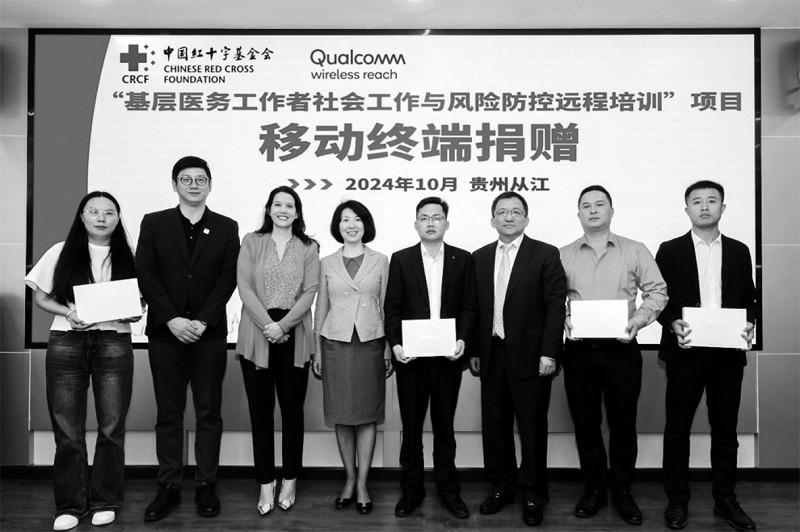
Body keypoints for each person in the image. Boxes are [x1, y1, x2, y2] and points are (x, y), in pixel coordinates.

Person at [25, 191, 138, 531]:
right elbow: (42, 297)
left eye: (109, 212)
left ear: (118, 218)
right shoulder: (61, 251)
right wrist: (68, 312)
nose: (101, 217)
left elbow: (140, 302)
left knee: (112, 428)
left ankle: (105, 501)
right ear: (82, 216)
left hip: (114, 339)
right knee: (67, 430)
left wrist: (135, 311)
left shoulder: (129, 253)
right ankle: (70, 505)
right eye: (94, 211)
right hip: (67, 340)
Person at [136, 156, 240, 521]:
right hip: (165, 334)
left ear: (210, 184)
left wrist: (202, 320)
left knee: (209, 412)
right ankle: (168, 485)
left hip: (208, 335)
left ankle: (206, 483)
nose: (194, 185)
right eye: (186, 179)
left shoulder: (227, 227)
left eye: (200, 179)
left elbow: (228, 278)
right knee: (169, 413)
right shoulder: (154, 223)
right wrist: (173, 319)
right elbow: (146, 273)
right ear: (175, 184)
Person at [559, 185, 667, 526]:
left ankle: (622, 490)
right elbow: (551, 299)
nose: (593, 210)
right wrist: (564, 319)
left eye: (599, 204)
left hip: (621, 350)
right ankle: (594, 489)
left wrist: (639, 320)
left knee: (623, 425)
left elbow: (658, 291)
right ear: (578, 213)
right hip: (579, 352)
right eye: (586, 206)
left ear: (611, 210)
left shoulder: (635, 250)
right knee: (586, 424)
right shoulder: (562, 255)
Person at [656, 180, 757, 531]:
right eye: (696, 201)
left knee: (725, 430)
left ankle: (725, 499)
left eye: (712, 201)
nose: (704, 206)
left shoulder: (740, 251)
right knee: (677, 430)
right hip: (685, 354)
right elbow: (659, 299)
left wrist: (750, 323)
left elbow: (750, 297)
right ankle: (677, 500)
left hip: (727, 355)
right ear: (686, 209)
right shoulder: (670, 250)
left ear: (722, 208)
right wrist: (672, 323)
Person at [469, 191, 567, 527]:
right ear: (492, 219)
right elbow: (474, 309)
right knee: (495, 428)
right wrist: (475, 350)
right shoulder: (480, 257)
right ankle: (502, 487)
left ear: (526, 218)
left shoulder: (545, 254)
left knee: (532, 429)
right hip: (491, 354)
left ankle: (534, 494)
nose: (508, 217)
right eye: (502, 212)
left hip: (532, 357)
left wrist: (550, 351)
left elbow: (556, 305)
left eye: (515, 212)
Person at [384, 196, 474, 519]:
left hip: (448, 359)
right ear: (416, 224)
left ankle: (449, 491)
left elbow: (469, 307)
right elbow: (392, 308)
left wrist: (463, 339)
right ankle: (411, 491)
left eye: (437, 217)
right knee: (411, 429)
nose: (431, 222)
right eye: (424, 217)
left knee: (444, 428)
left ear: (447, 223)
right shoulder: (401, 259)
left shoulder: (462, 259)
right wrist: (396, 345)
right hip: (411, 360)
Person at [236, 185, 319, 516]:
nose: (283, 210)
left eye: (290, 205)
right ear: (269, 209)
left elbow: (310, 291)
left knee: (292, 413)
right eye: (278, 204)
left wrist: (282, 326)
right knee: (260, 414)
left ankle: (290, 480)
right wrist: (268, 325)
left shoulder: (309, 247)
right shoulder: (251, 241)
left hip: (294, 335)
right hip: (257, 335)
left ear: (297, 213)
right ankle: (265, 482)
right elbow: (244, 286)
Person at [312, 199, 391, 515]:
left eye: (357, 219)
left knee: (367, 414)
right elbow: (321, 308)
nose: (351, 225)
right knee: (342, 414)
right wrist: (317, 349)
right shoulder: (326, 263)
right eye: (345, 220)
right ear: (338, 226)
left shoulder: (381, 260)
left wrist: (388, 347)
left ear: (365, 224)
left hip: (370, 345)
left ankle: (363, 484)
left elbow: (388, 307)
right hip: (336, 345)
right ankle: (349, 478)